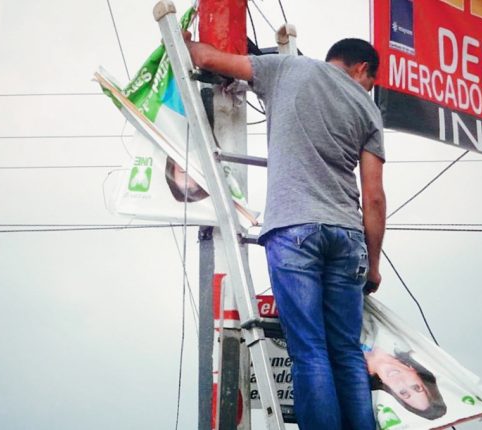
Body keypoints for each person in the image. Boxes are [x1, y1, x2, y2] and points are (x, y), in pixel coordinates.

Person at [185, 34, 386, 430]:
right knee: (345, 351)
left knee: (309, 349)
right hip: (347, 236)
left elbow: (209, 58)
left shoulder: (287, 68)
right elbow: (375, 197)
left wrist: (187, 42)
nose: (368, 88)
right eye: (371, 81)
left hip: (294, 228)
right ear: (362, 68)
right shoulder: (368, 108)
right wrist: (373, 266)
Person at [364, 347, 447, 420]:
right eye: (416, 387)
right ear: (415, 371)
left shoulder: (355, 375)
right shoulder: (399, 341)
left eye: (403, 392)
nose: (401, 382)